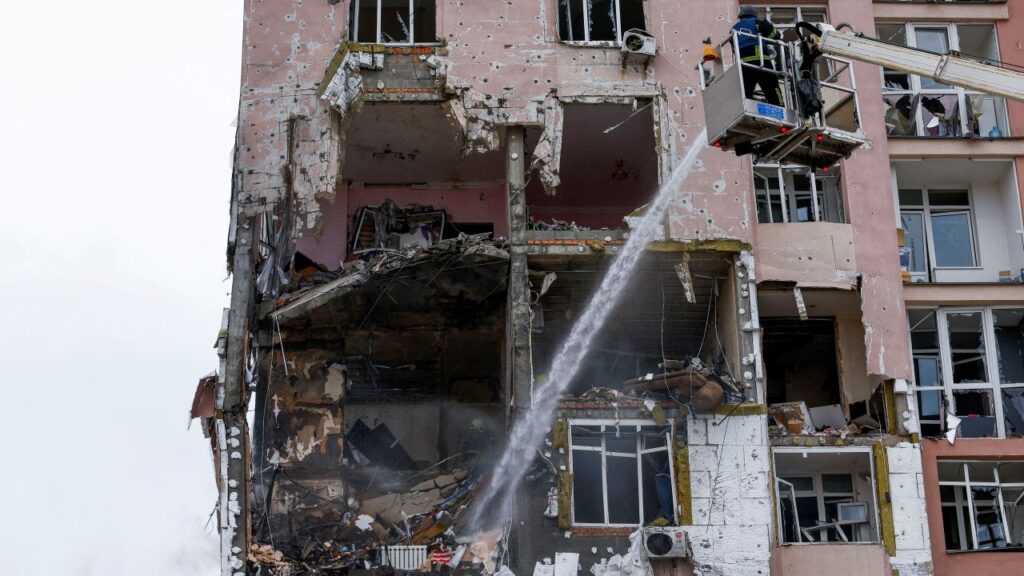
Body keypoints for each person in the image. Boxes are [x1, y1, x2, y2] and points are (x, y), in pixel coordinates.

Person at [732, 6, 783, 106]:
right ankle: (780, 108)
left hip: (744, 65)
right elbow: (775, 36)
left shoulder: (733, 29)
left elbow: (734, 48)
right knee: (772, 88)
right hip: (761, 61)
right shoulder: (757, 22)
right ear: (753, 15)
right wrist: (766, 24)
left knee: (746, 92)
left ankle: (745, 108)